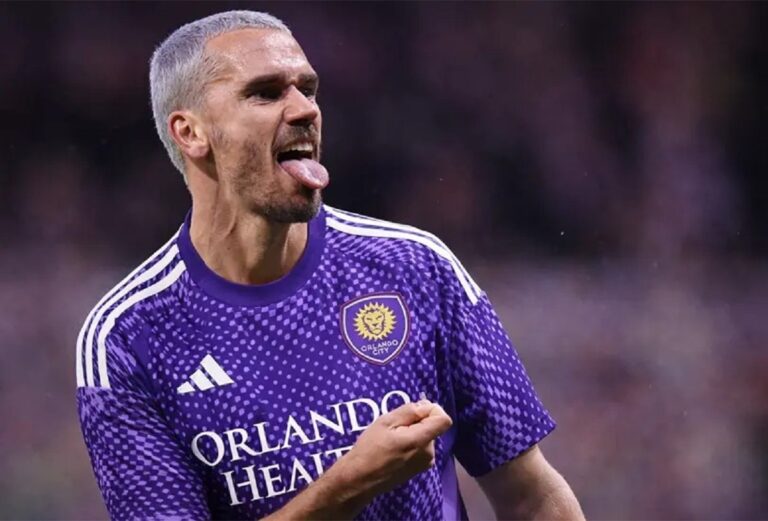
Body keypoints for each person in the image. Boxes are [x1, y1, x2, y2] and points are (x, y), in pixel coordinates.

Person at [75, 10, 584, 521]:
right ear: (190, 133)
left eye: (308, 89)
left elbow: (534, 498)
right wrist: (349, 484)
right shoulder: (128, 337)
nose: (304, 110)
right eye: (265, 93)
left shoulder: (415, 269)